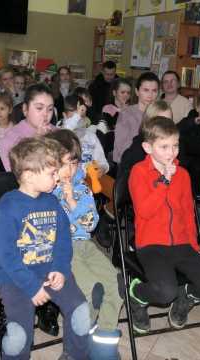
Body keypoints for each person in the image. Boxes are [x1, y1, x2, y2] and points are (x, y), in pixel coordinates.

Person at [0, 136, 90, 360]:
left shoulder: (51, 202)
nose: (58, 177)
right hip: (16, 277)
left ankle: (74, 356)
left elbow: (63, 241)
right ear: (29, 175)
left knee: (81, 312)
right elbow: (5, 255)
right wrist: (32, 286)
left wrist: (61, 269)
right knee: (18, 336)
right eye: (52, 173)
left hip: (50, 270)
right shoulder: (8, 206)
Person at [128, 116, 200, 333]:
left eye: (175, 146)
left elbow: (188, 215)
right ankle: (137, 295)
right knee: (164, 292)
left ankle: (186, 297)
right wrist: (164, 182)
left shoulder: (183, 175)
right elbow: (144, 211)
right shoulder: (139, 172)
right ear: (147, 147)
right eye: (164, 147)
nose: (171, 152)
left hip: (181, 244)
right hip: (151, 244)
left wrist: (196, 249)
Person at [49, 129, 123, 360]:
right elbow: (54, 227)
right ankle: (75, 346)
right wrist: (65, 201)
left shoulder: (81, 188)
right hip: (61, 250)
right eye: (62, 165)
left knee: (116, 284)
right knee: (92, 292)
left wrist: (72, 201)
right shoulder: (45, 192)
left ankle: (103, 345)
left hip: (84, 245)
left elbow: (90, 223)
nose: (69, 171)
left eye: (73, 163)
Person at [0, 83, 55, 171]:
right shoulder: (11, 139)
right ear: (25, 109)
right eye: (39, 108)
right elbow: (20, 176)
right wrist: (36, 141)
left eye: (50, 109)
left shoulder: (55, 131)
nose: (46, 114)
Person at [113, 72, 159, 163]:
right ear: (137, 92)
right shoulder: (126, 114)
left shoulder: (160, 114)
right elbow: (121, 149)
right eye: (146, 90)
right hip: (130, 164)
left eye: (154, 91)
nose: (150, 95)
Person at [94, 78, 132, 156]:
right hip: (111, 148)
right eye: (122, 92)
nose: (126, 95)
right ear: (114, 93)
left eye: (128, 93)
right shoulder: (108, 108)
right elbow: (113, 126)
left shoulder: (132, 109)